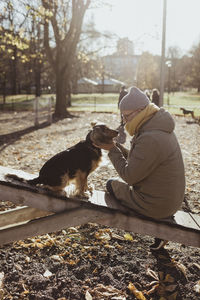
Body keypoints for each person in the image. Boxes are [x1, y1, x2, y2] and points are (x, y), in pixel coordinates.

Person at [94, 86, 185, 250]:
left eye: (126, 116)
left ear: (141, 110)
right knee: (117, 185)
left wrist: (112, 150)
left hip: (156, 204)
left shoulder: (150, 137)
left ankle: (157, 224)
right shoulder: (157, 126)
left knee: (110, 184)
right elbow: (142, 161)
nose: (125, 122)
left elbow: (129, 176)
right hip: (170, 200)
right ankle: (161, 230)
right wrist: (117, 147)